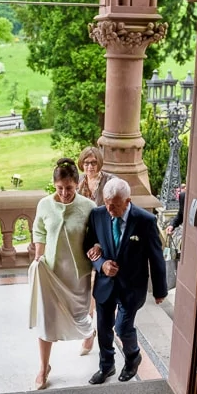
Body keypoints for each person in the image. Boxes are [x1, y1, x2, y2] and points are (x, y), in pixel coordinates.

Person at [83, 177, 168, 384]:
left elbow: (156, 257)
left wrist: (160, 290)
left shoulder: (145, 221)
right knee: (103, 328)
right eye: (107, 203)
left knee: (122, 327)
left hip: (132, 286)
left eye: (115, 205)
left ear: (128, 201)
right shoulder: (97, 214)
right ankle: (106, 366)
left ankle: (132, 358)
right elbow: (88, 244)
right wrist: (101, 263)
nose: (110, 209)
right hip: (105, 284)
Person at [28, 158, 101, 390]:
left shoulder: (88, 207)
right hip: (50, 272)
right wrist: (38, 257)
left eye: (69, 188)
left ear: (77, 184)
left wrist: (97, 249)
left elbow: (96, 237)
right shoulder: (44, 205)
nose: (64, 193)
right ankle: (43, 367)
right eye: (59, 188)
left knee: (80, 316)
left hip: (77, 275)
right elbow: (39, 230)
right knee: (46, 320)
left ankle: (90, 332)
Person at [76, 146, 116, 346]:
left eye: (93, 162)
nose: (89, 166)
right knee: (85, 287)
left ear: (99, 162)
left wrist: (100, 243)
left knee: (98, 288)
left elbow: (114, 214)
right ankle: (89, 331)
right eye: (86, 162)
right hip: (86, 241)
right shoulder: (79, 184)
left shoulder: (110, 181)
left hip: (106, 240)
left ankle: (96, 332)